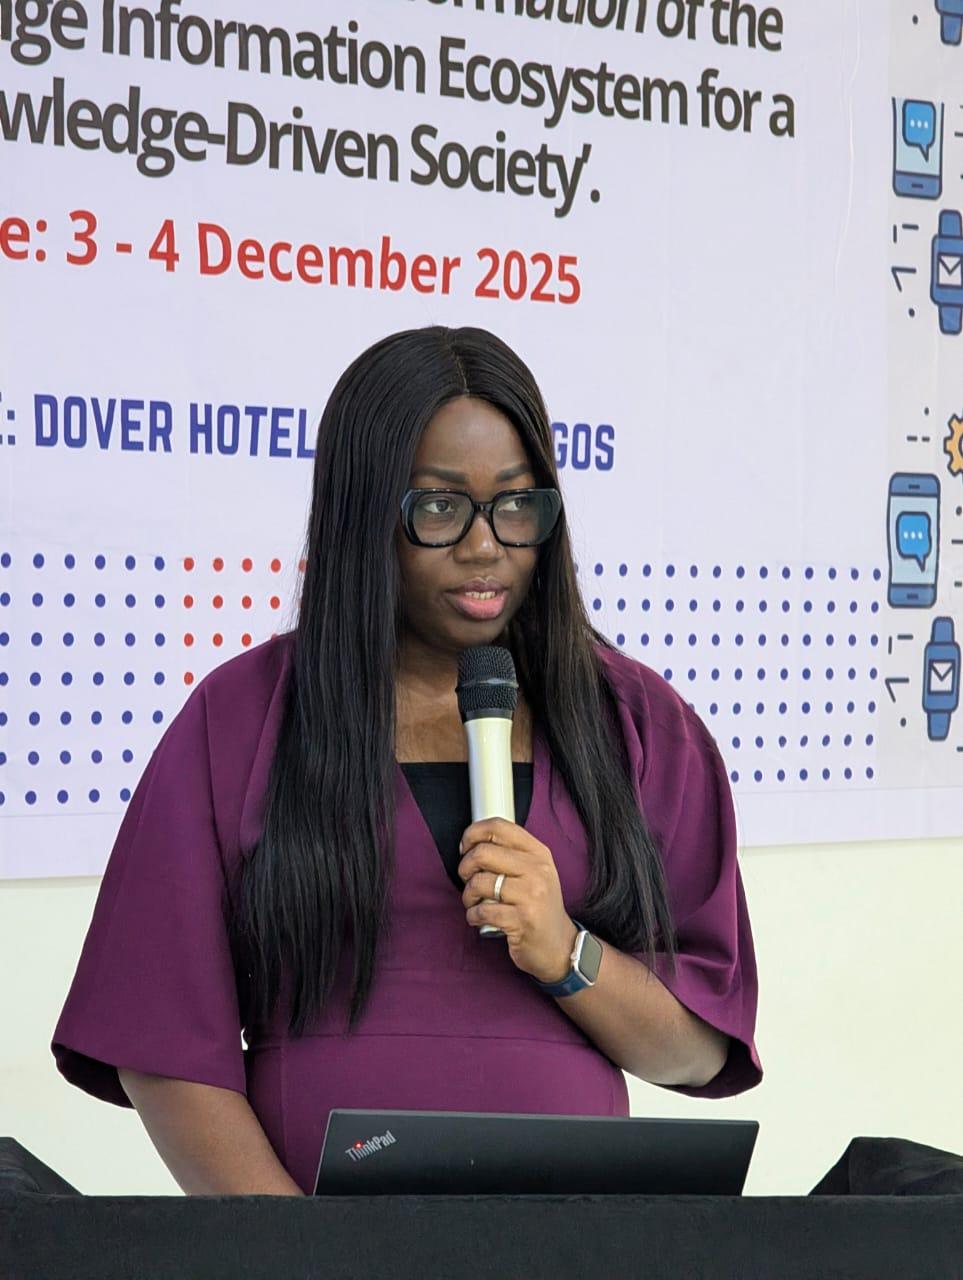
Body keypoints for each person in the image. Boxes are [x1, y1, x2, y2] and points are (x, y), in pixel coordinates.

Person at [51, 325, 762, 1197]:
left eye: (514, 505)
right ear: (362, 514)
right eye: (437, 507)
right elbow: (161, 1048)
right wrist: (296, 1253)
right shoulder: (238, 718)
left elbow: (697, 1052)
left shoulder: (641, 723)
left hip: (570, 1240)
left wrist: (566, 952)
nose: (484, 546)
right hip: (314, 1238)